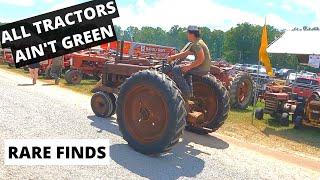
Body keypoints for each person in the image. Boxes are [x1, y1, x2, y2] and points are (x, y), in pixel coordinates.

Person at [167, 25, 212, 99]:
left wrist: (189, 66)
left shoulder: (196, 44)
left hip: (201, 68)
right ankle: (189, 93)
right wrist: (173, 57)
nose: (187, 35)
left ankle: (186, 93)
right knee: (185, 71)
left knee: (175, 69)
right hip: (204, 68)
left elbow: (201, 58)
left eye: (187, 33)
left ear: (192, 34)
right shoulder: (198, 42)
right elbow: (186, 53)